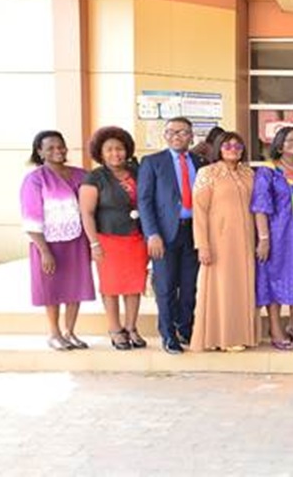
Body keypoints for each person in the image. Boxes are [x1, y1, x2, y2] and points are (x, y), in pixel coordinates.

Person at [138, 117, 208, 355]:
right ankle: (168, 335)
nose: (177, 136)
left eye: (183, 132)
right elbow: (144, 201)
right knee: (166, 287)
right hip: (165, 234)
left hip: (193, 232)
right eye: (171, 132)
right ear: (165, 136)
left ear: (191, 136)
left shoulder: (201, 163)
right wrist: (152, 234)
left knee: (189, 286)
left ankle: (185, 328)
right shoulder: (152, 162)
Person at [20, 130, 95, 351]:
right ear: (40, 152)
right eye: (50, 147)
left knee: (75, 286)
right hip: (48, 243)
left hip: (77, 239)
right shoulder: (34, 179)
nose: (57, 151)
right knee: (51, 287)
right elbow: (31, 216)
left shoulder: (81, 174)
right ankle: (54, 333)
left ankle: (70, 332)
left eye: (60, 146)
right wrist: (44, 251)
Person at [79, 126, 149, 350]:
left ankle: (131, 327)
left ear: (126, 150)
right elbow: (87, 213)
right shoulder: (95, 177)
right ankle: (115, 328)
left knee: (134, 285)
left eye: (119, 149)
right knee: (111, 286)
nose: (115, 154)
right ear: (101, 152)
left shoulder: (137, 172)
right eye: (109, 149)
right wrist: (94, 242)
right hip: (107, 239)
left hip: (136, 237)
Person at [190, 132, 258, 352]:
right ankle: (220, 337)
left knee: (242, 285)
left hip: (246, 239)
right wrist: (203, 245)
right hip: (219, 240)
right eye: (227, 145)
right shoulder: (207, 173)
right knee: (221, 287)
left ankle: (241, 334)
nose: (233, 149)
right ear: (218, 148)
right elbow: (199, 211)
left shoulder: (249, 173)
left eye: (238, 145)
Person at [251, 126, 293, 350]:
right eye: (289, 139)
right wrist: (264, 238)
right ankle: (276, 328)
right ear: (279, 144)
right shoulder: (268, 171)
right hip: (277, 234)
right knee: (274, 278)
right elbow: (260, 207)